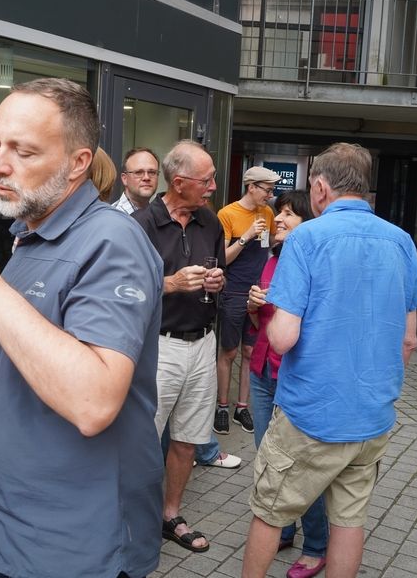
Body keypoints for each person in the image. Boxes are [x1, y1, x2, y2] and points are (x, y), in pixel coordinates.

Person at [0, 77, 165, 578]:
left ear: (77, 162)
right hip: (17, 523)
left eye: (23, 151)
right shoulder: (29, 236)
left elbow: (94, 403)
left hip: (78, 539)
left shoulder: (112, 241)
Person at [241, 143, 417, 578]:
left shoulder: (306, 238)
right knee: (349, 520)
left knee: (270, 512)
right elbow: (409, 340)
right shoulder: (401, 241)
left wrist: (269, 316)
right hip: (372, 415)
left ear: (321, 187)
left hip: (312, 414)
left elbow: (282, 339)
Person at [133, 140, 228, 553]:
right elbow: (124, 290)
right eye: (206, 180)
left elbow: (219, 271)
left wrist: (217, 282)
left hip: (203, 343)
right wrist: (170, 283)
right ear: (178, 182)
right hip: (158, 347)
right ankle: (132, 520)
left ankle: (170, 514)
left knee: (188, 438)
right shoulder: (140, 225)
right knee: (142, 440)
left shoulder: (211, 223)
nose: (213, 187)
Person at [246, 190, 329, 578]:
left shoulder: (316, 263)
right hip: (262, 369)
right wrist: (252, 306)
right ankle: (282, 529)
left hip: (292, 376)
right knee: (267, 458)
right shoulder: (272, 258)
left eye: (289, 214)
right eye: (279, 212)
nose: (278, 219)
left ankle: (316, 545)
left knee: (299, 466)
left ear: (308, 223)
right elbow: (259, 321)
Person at [213, 166, 279, 436]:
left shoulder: (268, 213)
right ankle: (222, 406)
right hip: (233, 292)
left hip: (259, 293)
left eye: (272, 191)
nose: (270, 195)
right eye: (267, 190)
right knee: (228, 352)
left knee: (250, 352)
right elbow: (222, 259)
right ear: (251, 187)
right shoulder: (227, 214)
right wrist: (247, 236)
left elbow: (271, 244)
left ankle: (242, 407)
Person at [112, 147, 160, 213]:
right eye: (138, 172)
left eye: (152, 172)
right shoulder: (114, 215)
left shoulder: (158, 214)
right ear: (125, 179)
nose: (146, 178)